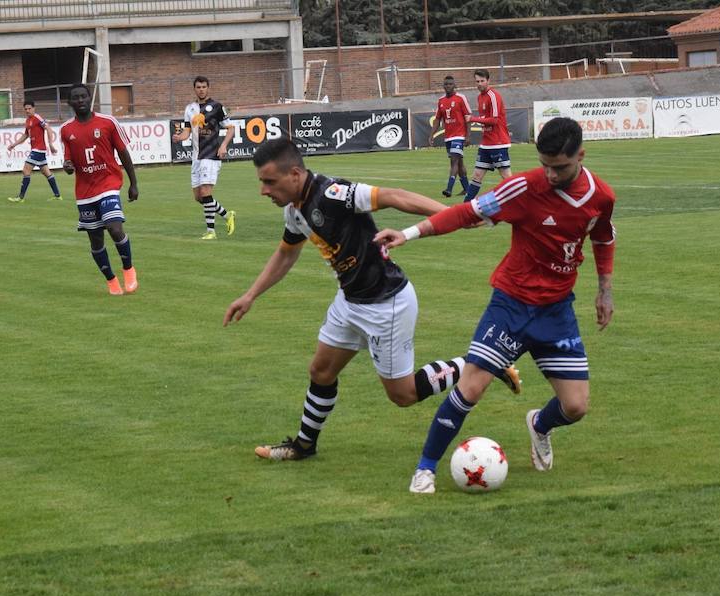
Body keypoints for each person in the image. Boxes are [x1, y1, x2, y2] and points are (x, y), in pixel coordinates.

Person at [223, 138, 520, 462]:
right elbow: (285, 255)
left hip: (386, 302)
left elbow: (394, 196)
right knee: (321, 372)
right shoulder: (294, 211)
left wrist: (455, 214)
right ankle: (303, 446)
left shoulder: (334, 194)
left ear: (294, 174)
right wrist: (250, 295)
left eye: (269, 182)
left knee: (403, 395)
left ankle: (485, 364)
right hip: (349, 302)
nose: (264, 191)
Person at [375, 117, 616, 494]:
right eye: (545, 165)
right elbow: (466, 213)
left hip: (557, 312)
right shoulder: (522, 187)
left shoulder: (602, 197)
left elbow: (603, 237)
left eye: (560, 167)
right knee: (471, 388)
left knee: (576, 407)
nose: (550, 175)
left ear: (581, 155)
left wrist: (605, 289)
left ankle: (539, 425)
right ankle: (426, 469)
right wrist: (407, 234)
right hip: (511, 305)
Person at [60, 83, 139, 296]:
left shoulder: (107, 122)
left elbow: (123, 153)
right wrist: (67, 166)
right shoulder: (66, 130)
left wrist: (133, 183)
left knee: (114, 228)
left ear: (90, 98)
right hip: (85, 192)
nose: (80, 101)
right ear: (70, 103)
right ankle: (111, 280)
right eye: (75, 98)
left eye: (84, 96)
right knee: (96, 239)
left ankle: (128, 269)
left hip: (109, 184)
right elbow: (68, 163)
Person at [172, 76, 236, 239]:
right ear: (194, 89)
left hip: (211, 155)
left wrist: (223, 146)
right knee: (199, 197)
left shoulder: (217, 107)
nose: (201, 89)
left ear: (208, 88)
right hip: (196, 157)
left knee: (206, 192)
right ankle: (227, 215)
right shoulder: (189, 109)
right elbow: (187, 131)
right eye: (198, 87)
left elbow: (231, 128)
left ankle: (211, 232)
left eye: (204, 87)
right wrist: (180, 137)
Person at [462, 69, 511, 202]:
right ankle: (465, 207)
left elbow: (494, 120)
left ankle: (523, 202)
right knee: (477, 175)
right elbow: (485, 118)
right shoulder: (480, 97)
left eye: (482, 81)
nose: (479, 84)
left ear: (488, 81)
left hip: (498, 142)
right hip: (486, 143)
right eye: (477, 81)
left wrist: (473, 119)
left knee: (506, 176)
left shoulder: (493, 96)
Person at [7, 99, 62, 203]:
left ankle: (20, 197)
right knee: (46, 172)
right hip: (36, 150)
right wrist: (14, 144)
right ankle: (58, 195)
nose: (27, 110)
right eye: (26, 109)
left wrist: (50, 144)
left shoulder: (37, 118)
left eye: (29, 108)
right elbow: (25, 135)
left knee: (25, 170)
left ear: (34, 108)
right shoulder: (28, 121)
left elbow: (48, 128)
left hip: (39, 149)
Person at [430, 75, 471, 198]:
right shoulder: (441, 101)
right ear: (443, 86)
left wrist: (468, 136)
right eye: (446, 84)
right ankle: (467, 189)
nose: (448, 86)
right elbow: (437, 119)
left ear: (454, 85)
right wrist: (431, 134)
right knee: (459, 164)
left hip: (459, 135)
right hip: (448, 137)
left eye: (450, 84)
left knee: (454, 161)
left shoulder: (460, 98)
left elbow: (468, 117)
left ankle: (449, 189)